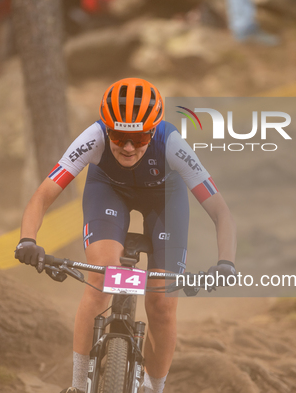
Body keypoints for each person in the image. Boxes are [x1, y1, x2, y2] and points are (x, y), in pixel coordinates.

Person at [14, 78, 237, 393]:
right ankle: (78, 385)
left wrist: (226, 262)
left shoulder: (172, 144)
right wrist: (27, 239)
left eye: (140, 137)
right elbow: (44, 193)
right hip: (108, 191)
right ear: (107, 129)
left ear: (153, 130)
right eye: (119, 137)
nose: (129, 147)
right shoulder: (93, 137)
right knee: (102, 278)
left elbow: (220, 211)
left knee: (161, 302)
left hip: (163, 198)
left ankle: (152, 388)